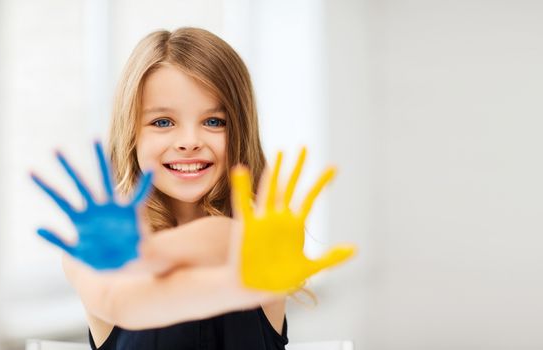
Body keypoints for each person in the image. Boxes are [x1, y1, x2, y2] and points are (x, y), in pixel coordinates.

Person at [41, 27, 352, 350]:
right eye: (163, 122)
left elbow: (222, 240)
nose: (190, 142)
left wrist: (148, 254)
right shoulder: (93, 250)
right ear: (131, 133)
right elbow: (121, 302)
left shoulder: (260, 237)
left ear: (241, 131)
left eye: (215, 121)